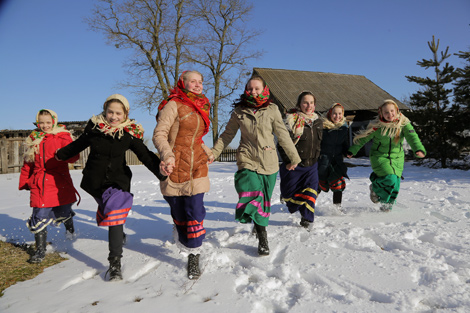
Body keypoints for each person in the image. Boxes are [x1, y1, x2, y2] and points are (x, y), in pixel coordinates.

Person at [56, 94, 167, 281]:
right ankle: (119, 233)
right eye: (110, 112)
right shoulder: (95, 129)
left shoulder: (129, 133)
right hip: (95, 182)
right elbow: (78, 145)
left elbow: (145, 155)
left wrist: (161, 172)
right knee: (111, 214)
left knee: (115, 214)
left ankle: (114, 263)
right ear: (105, 111)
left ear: (125, 114)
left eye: (118, 113)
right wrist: (60, 155)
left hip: (118, 182)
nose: (114, 117)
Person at [211, 75, 301, 256]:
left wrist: (294, 157)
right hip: (247, 158)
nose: (253, 92)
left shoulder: (272, 109)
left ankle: (257, 223)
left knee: (264, 200)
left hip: (269, 161)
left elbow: (282, 134)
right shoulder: (239, 111)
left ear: (264, 89)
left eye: (257, 88)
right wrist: (214, 153)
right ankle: (262, 237)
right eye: (250, 89)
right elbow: (227, 135)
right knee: (252, 192)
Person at [153, 71, 213, 280]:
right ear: (183, 83)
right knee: (179, 213)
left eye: (200, 82)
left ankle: (194, 255)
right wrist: (167, 155)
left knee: (195, 210)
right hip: (175, 164)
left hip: (197, 164)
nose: (197, 85)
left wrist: (207, 150)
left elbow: (195, 137)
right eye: (192, 81)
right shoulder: (174, 104)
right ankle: (180, 229)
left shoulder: (203, 105)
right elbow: (159, 133)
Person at [19, 109, 79, 263]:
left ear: (54, 121)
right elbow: (28, 163)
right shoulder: (34, 138)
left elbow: (74, 156)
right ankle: (40, 251)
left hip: (59, 181)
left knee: (63, 210)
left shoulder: (62, 136)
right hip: (39, 182)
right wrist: (26, 181)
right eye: (41, 122)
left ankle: (70, 227)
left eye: (47, 122)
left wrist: (65, 153)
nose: (44, 125)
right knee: (39, 214)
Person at [347, 99, 426, 211]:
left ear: (397, 110)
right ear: (381, 113)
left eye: (392, 111)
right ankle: (375, 188)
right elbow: (363, 138)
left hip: (397, 158)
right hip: (379, 157)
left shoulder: (403, 124)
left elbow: (412, 137)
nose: (390, 115)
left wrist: (418, 149)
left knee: (396, 185)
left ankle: (387, 207)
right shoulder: (377, 126)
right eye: (386, 112)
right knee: (390, 179)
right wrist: (352, 150)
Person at [278, 91, 323, 229]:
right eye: (305, 102)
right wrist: (287, 161)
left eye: (311, 103)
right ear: (299, 104)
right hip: (294, 165)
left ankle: (307, 219)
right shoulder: (290, 120)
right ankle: (289, 199)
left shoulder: (319, 121)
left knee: (311, 191)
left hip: (312, 165)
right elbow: (282, 142)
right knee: (289, 195)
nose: (308, 106)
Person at [318, 103, 349, 209]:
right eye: (335, 113)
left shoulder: (344, 128)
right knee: (320, 184)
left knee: (338, 184)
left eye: (340, 113)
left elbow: (344, 143)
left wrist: (347, 152)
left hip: (337, 161)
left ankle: (337, 208)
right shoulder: (323, 127)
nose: (337, 116)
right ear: (330, 114)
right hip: (324, 161)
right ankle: (308, 206)